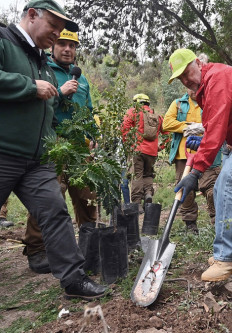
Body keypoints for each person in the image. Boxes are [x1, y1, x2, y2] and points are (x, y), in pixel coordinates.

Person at [0, 0, 107, 299]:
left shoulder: (42, 62)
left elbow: (49, 107)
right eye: (54, 28)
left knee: (56, 211)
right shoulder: (4, 43)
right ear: (32, 15)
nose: (57, 36)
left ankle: (73, 280)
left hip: (38, 159)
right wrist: (29, 86)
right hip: (4, 153)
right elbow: (29, 91)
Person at [168, 48, 232, 281]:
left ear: (197, 63)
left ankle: (226, 259)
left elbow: (214, 132)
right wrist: (202, 159)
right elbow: (214, 129)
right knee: (220, 188)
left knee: (227, 182)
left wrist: (195, 172)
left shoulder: (217, 79)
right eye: (181, 78)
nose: (186, 80)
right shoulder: (205, 89)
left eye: (187, 72)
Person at [22, 28, 99, 274]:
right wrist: (61, 92)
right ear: (53, 46)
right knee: (49, 197)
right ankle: (37, 248)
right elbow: (35, 106)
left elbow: (88, 109)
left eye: (72, 45)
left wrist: (93, 136)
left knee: (87, 194)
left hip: (79, 144)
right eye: (63, 44)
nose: (68, 49)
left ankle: (88, 239)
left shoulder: (82, 79)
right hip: (52, 141)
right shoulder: (43, 71)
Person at [162, 88, 222, 233]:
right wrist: (188, 127)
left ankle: (217, 221)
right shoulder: (178, 104)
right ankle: (190, 224)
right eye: (190, 88)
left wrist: (203, 130)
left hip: (208, 154)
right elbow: (166, 123)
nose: (194, 90)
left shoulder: (211, 103)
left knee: (212, 187)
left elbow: (219, 124)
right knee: (185, 191)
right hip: (184, 155)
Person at [122, 93, 167, 213]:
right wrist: (159, 148)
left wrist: (129, 145)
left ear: (136, 102)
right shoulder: (157, 116)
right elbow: (167, 135)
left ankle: (137, 204)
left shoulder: (133, 112)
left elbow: (124, 129)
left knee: (137, 176)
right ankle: (148, 193)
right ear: (148, 103)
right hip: (152, 153)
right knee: (148, 175)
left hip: (137, 149)